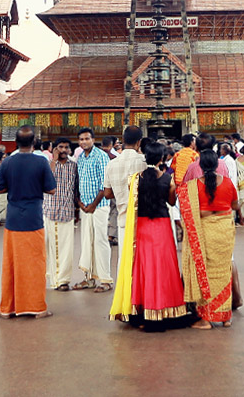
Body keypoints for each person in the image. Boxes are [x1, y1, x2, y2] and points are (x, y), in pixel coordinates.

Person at [110, 141, 188, 329]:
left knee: (144, 267)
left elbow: (134, 202)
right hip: (161, 227)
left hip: (142, 227)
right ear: (162, 158)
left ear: (145, 157)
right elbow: (171, 202)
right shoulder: (168, 179)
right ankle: (165, 307)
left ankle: (143, 308)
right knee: (164, 267)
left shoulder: (135, 179)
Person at [0, 126, 56, 319]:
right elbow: (51, 189)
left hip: (13, 219)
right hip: (33, 218)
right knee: (35, 264)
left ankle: (8, 308)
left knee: (11, 264)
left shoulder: (8, 162)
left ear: (16, 142)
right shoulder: (41, 162)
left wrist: (14, 188)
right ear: (34, 142)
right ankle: (37, 307)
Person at [182, 150, 239, 329]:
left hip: (204, 233)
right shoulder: (228, 183)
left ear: (200, 165)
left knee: (204, 273)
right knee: (224, 272)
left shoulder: (192, 186)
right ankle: (225, 317)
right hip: (224, 232)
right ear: (216, 164)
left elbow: (185, 207)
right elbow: (235, 205)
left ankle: (206, 319)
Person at [73, 128, 113, 293]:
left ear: (93, 139)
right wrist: (81, 203)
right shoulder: (81, 158)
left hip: (100, 206)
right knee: (86, 241)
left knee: (100, 240)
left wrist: (93, 205)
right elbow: (79, 182)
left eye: (87, 139)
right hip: (85, 206)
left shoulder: (101, 156)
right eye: (81, 139)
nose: (84, 142)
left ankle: (105, 280)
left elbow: (105, 185)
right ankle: (88, 278)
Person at [103, 126, 146, 248]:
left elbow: (107, 194)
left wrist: (119, 192)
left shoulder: (112, 164)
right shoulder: (143, 161)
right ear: (139, 142)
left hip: (123, 218)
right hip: (142, 218)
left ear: (123, 140)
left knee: (124, 258)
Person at [44, 138, 77, 291]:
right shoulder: (48, 165)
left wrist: (77, 209)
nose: (63, 150)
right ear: (54, 149)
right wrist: (53, 161)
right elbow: (45, 182)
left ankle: (63, 280)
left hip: (67, 211)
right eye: (60, 147)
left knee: (67, 249)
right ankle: (54, 278)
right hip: (51, 210)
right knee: (50, 246)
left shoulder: (74, 165)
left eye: (66, 147)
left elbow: (76, 188)